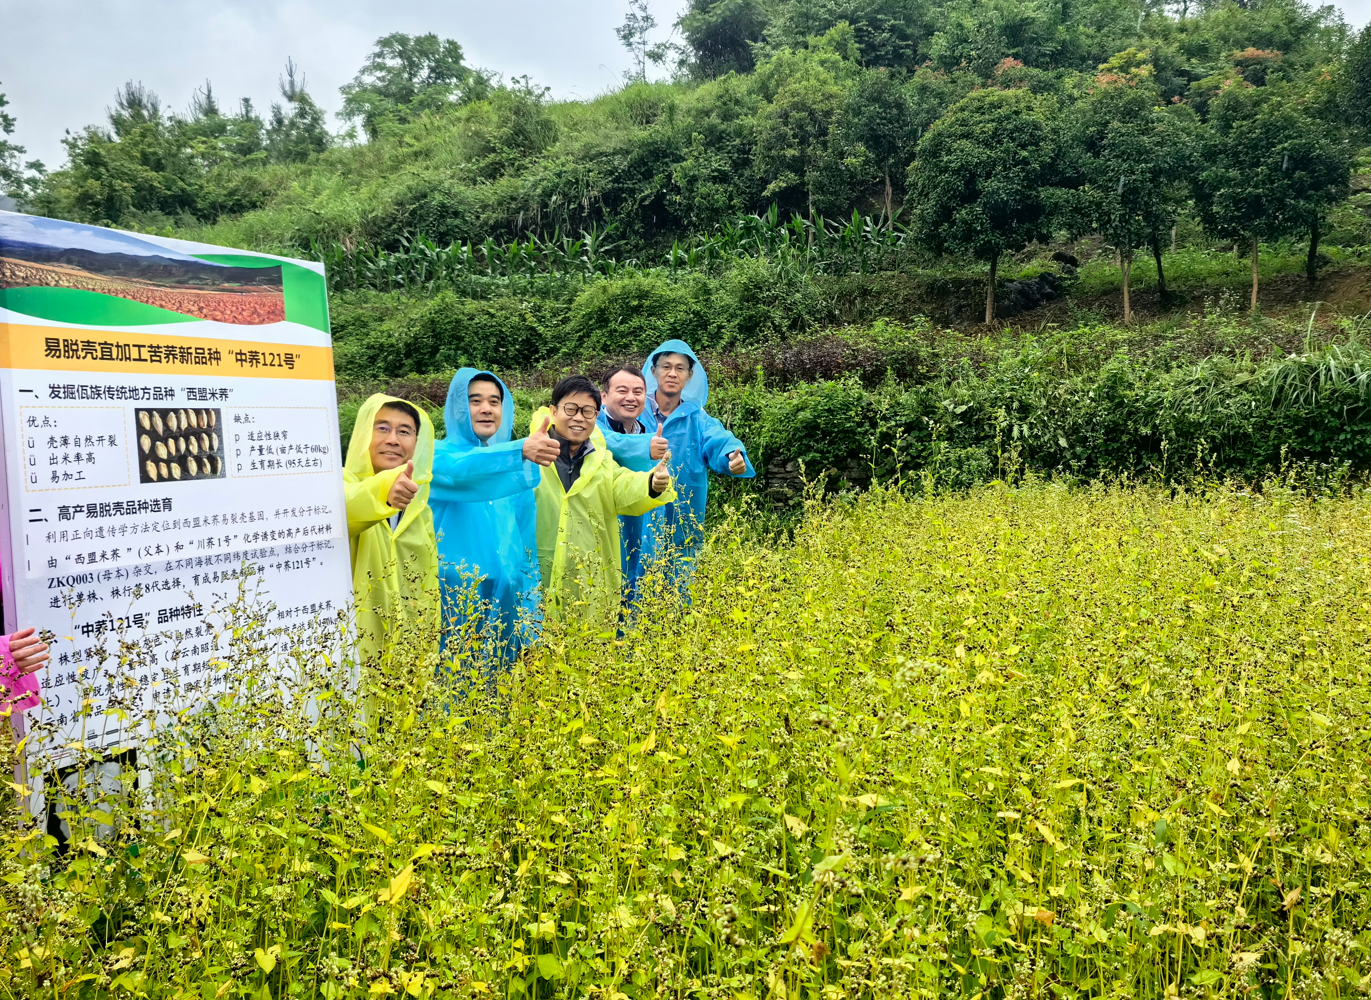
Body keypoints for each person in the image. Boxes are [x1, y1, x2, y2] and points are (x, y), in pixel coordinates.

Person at [601, 339, 754, 595]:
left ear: (690, 375)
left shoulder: (698, 417)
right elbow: (604, 436)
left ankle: (678, 625)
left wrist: (732, 457)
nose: (672, 373)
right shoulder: (634, 407)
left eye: (680, 368)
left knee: (680, 571)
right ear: (654, 370)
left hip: (684, 506)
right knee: (627, 563)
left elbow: (720, 439)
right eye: (666, 366)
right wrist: (642, 446)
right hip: (635, 505)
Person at [430, 369, 559, 668]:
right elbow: (462, 470)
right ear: (457, 407)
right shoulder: (435, 457)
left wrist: (531, 623)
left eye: (494, 401)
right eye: (474, 401)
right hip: (453, 609)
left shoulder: (515, 474)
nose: (486, 409)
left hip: (507, 613)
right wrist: (519, 451)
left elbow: (527, 554)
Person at [533, 375, 676, 624]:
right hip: (538, 578)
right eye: (571, 408)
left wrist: (652, 483)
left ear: (596, 416)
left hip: (590, 582)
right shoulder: (531, 460)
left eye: (588, 411)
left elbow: (624, 486)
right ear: (553, 411)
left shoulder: (601, 461)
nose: (579, 418)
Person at [344, 394, 439, 669]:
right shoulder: (339, 485)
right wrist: (385, 490)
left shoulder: (420, 510)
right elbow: (351, 506)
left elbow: (428, 590)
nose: (393, 439)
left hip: (407, 657)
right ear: (363, 434)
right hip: (355, 653)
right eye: (382, 428)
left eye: (405, 431)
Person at [597, 366, 668, 600]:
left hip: (636, 528)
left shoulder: (642, 430)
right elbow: (607, 442)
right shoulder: (592, 426)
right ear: (604, 396)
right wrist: (644, 446)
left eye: (638, 391)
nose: (631, 397)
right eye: (622, 390)